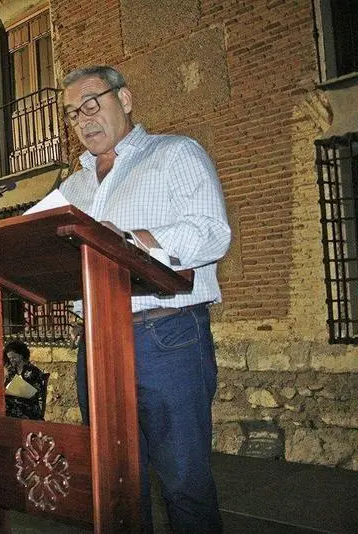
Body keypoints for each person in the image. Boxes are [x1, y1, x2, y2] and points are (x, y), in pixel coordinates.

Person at [59, 65, 230, 532]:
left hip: (166, 336)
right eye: (73, 114)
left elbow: (213, 233)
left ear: (126, 99)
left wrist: (130, 240)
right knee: (114, 484)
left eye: (91, 104)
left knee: (184, 482)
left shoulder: (175, 154)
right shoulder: (71, 188)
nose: (83, 119)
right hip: (94, 343)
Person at [2, 340, 45, 420]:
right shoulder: (11, 371)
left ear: (21, 355)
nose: (11, 360)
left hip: (28, 405)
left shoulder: (32, 371)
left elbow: (35, 392)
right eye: (10, 358)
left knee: (6, 405)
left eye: (14, 357)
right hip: (12, 402)